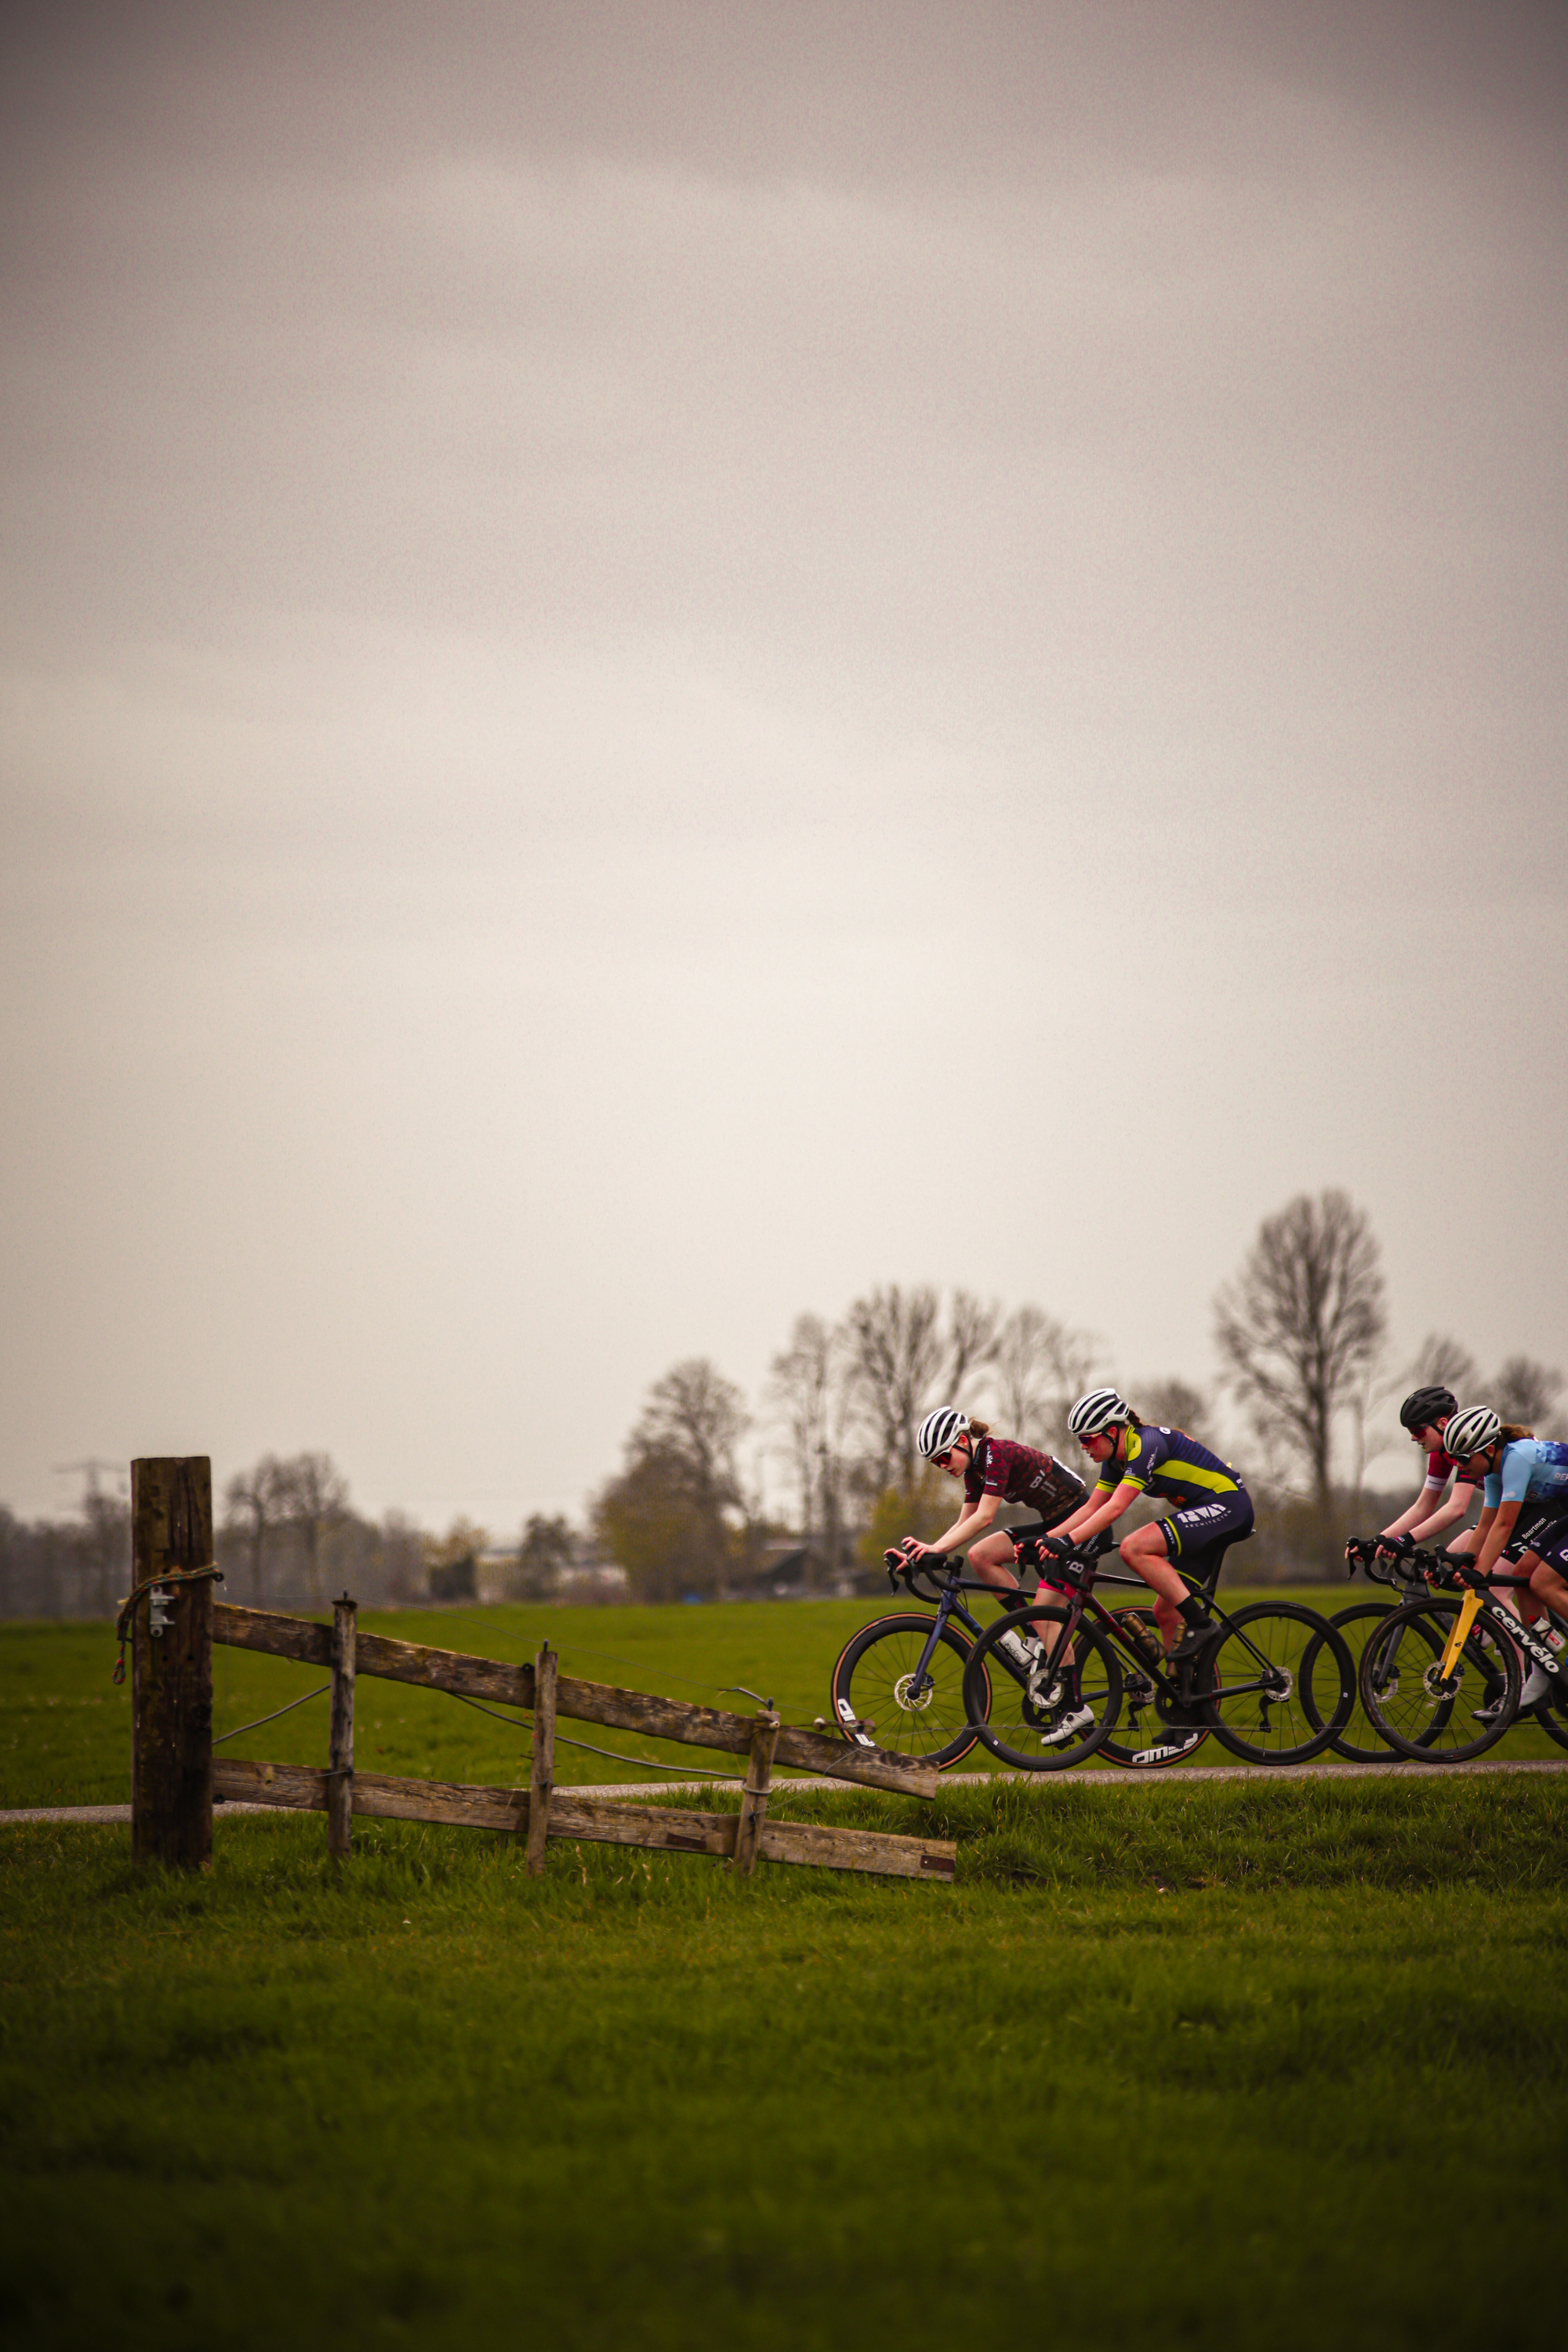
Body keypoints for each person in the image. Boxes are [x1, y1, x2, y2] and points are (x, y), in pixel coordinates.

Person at [1044, 1388, 1254, 1658]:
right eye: (1079, 1440)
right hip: (1205, 1515)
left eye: (1087, 1438)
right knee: (1165, 1613)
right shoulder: (1114, 1462)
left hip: (1228, 1507)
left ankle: (1202, 1624)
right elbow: (1093, 1507)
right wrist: (1046, 1538)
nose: (1083, 1446)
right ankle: (1187, 1692)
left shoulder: (1146, 1444)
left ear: (1111, 1431)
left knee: (1134, 1547)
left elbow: (1116, 1507)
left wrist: (1067, 1541)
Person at [1437, 1406, 1568, 1716]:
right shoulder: (1493, 1471)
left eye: (1465, 1459)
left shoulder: (1517, 1459)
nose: (1462, 1466)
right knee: (1523, 1576)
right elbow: (1485, 1527)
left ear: (1489, 1448)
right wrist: (1469, 1568)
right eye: (1457, 1460)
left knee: (1543, 1582)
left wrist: (1480, 1571)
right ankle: (1542, 1670)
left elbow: (1505, 1526)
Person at [901, 1408, 1087, 1599]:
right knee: (980, 1555)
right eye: (935, 1462)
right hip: (1056, 1523)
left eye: (944, 1457)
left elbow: (984, 1517)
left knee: (1045, 1625)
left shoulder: (995, 1454)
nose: (942, 1466)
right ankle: (1020, 1624)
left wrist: (937, 1548)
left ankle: (1031, 1625)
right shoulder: (973, 1469)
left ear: (963, 1441)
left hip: (1083, 1520)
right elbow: (965, 1521)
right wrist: (923, 1554)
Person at [1363, 1385, 1481, 1559]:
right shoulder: (1440, 1454)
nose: (1413, 1438)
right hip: (1507, 1510)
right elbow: (1423, 1507)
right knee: (1449, 1565)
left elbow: (1457, 1508)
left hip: (1532, 1509)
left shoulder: (1469, 1444)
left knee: (1498, 1579)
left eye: (1417, 1430)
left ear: (1442, 1424)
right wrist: (1378, 1541)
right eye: (1411, 1432)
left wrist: (1406, 1540)